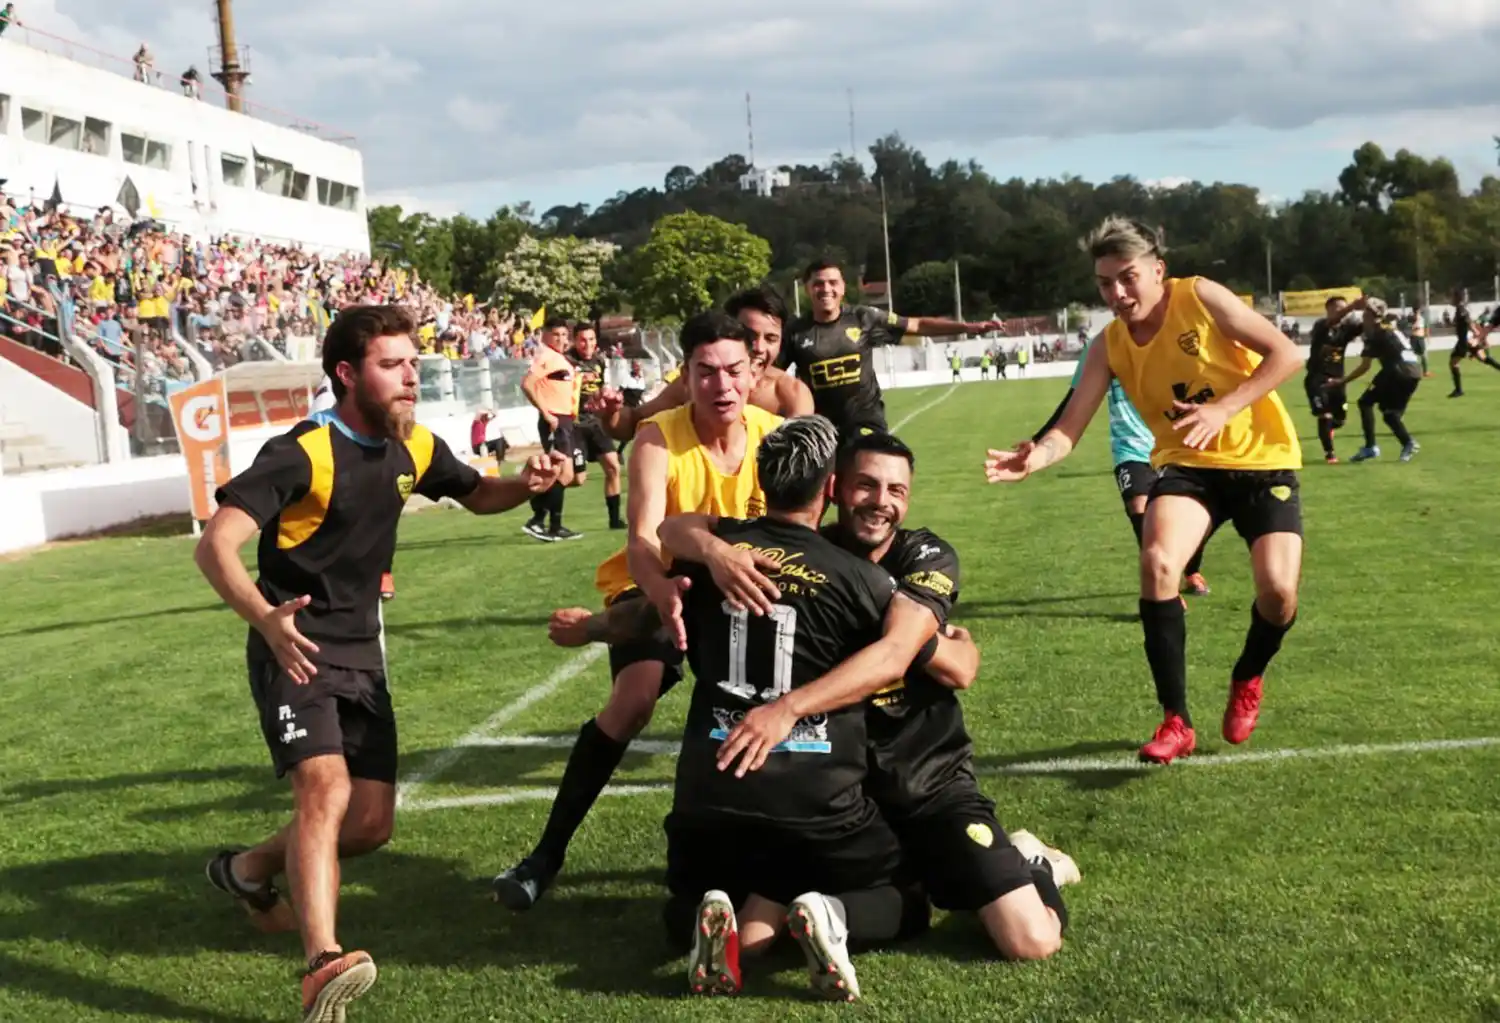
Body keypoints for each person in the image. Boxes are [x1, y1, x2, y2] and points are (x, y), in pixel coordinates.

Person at [194, 305, 569, 1023]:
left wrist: (529, 484)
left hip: (365, 652)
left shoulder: (416, 446)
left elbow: (479, 493)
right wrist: (265, 619)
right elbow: (216, 544)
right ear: (346, 372)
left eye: (413, 363)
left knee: (369, 826)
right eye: (392, 365)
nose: (410, 377)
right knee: (324, 791)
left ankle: (244, 871)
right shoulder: (301, 451)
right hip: (294, 645)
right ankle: (321, 962)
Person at [656, 430, 1075, 963]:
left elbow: (943, 662)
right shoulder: (812, 554)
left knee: (1030, 941)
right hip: (846, 787)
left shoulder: (923, 555)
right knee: (758, 935)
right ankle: (841, 907)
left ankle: (1032, 862)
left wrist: (788, 708)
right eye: (867, 485)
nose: (882, 502)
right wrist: (716, 553)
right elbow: (677, 526)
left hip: (926, 783)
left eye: (897, 490)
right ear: (834, 488)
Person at [985, 217, 1305, 766]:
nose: (1118, 293)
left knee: (1277, 593)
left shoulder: (1201, 296)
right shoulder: (1108, 345)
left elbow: (1286, 353)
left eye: (1128, 277)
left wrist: (1223, 407)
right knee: (1157, 561)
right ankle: (1176, 720)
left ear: (1158, 270)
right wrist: (1035, 455)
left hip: (1264, 462)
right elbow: (1070, 426)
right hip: (1188, 465)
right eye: (1106, 283)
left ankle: (1248, 674)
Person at [491, 310, 783, 910]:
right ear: (686, 375)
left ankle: (765, 862)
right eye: (705, 372)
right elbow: (644, 538)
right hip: (652, 582)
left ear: (754, 373)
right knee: (634, 700)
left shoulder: (774, 435)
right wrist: (661, 592)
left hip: (731, 588)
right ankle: (544, 857)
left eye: (733, 371)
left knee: (762, 705)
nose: (721, 386)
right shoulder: (657, 436)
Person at [1026, 333, 1214, 597]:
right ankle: (1165, 587)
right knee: (1139, 509)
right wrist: (1037, 441)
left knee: (1189, 516)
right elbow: (1074, 401)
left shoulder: (1165, 336)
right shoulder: (1102, 347)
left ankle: (1192, 570)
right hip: (1129, 447)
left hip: (1170, 445)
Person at [779, 259, 999, 439]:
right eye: (818, 283)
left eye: (833, 282)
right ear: (807, 288)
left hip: (865, 424)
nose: (826, 289)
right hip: (820, 430)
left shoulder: (864, 317)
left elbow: (917, 325)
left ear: (843, 287)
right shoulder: (794, 331)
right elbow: (771, 376)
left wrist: (967, 327)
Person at [593, 286, 812, 439]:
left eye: (771, 338)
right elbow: (631, 424)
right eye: (750, 335)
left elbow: (804, 460)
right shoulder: (695, 385)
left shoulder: (790, 393)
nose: (760, 347)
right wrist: (611, 414)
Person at [311, 373, 395, 600]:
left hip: (361, 458)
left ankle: (383, 574)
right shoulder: (328, 394)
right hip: (333, 465)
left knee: (380, 515)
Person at [1325, 298, 1423, 463]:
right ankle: (1408, 443)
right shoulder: (1389, 327)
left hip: (1396, 371)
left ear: (1370, 317)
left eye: (1364, 316)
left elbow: (1365, 366)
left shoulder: (1376, 334)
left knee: (1365, 402)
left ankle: (1371, 447)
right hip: (1413, 372)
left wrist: (1342, 381)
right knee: (1390, 414)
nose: (1363, 320)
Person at [520, 316, 586, 541]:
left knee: (565, 474)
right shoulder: (547, 357)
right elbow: (527, 383)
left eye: (564, 335)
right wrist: (546, 413)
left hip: (564, 420)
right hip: (555, 420)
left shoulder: (558, 358)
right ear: (545, 335)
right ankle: (542, 521)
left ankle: (546, 523)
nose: (560, 339)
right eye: (556, 335)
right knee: (563, 473)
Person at [568, 322, 625, 529]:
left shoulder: (600, 360)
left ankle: (615, 520)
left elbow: (602, 388)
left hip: (596, 422)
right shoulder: (566, 361)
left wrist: (609, 399)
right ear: (575, 341)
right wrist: (580, 378)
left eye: (591, 339)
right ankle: (542, 492)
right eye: (583, 339)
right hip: (574, 424)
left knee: (613, 467)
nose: (588, 344)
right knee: (577, 478)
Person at [1303, 296, 1358, 464]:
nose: (1341, 311)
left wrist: (1381, 315)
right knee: (1325, 415)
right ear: (1328, 309)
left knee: (1340, 420)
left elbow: (1369, 327)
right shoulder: (1321, 325)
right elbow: (1333, 320)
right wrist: (1351, 308)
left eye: (1344, 307)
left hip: (1338, 381)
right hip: (1317, 379)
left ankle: (1326, 432)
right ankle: (1330, 453)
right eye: (1337, 308)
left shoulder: (1346, 330)